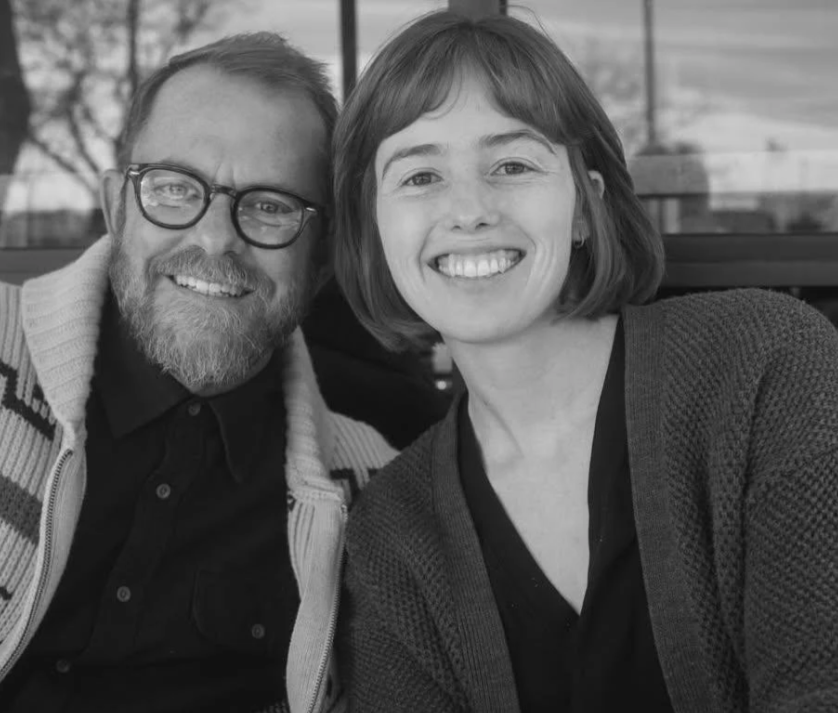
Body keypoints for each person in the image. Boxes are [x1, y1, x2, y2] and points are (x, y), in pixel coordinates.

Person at [0, 33, 410, 713]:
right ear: (116, 206)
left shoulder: (368, 492)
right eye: (173, 188)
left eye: (269, 206)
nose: (215, 238)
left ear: (320, 258)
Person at [331, 11, 838, 713]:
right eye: (419, 176)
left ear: (582, 205)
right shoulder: (394, 529)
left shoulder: (763, 365)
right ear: (373, 226)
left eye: (511, 164)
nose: (468, 209)